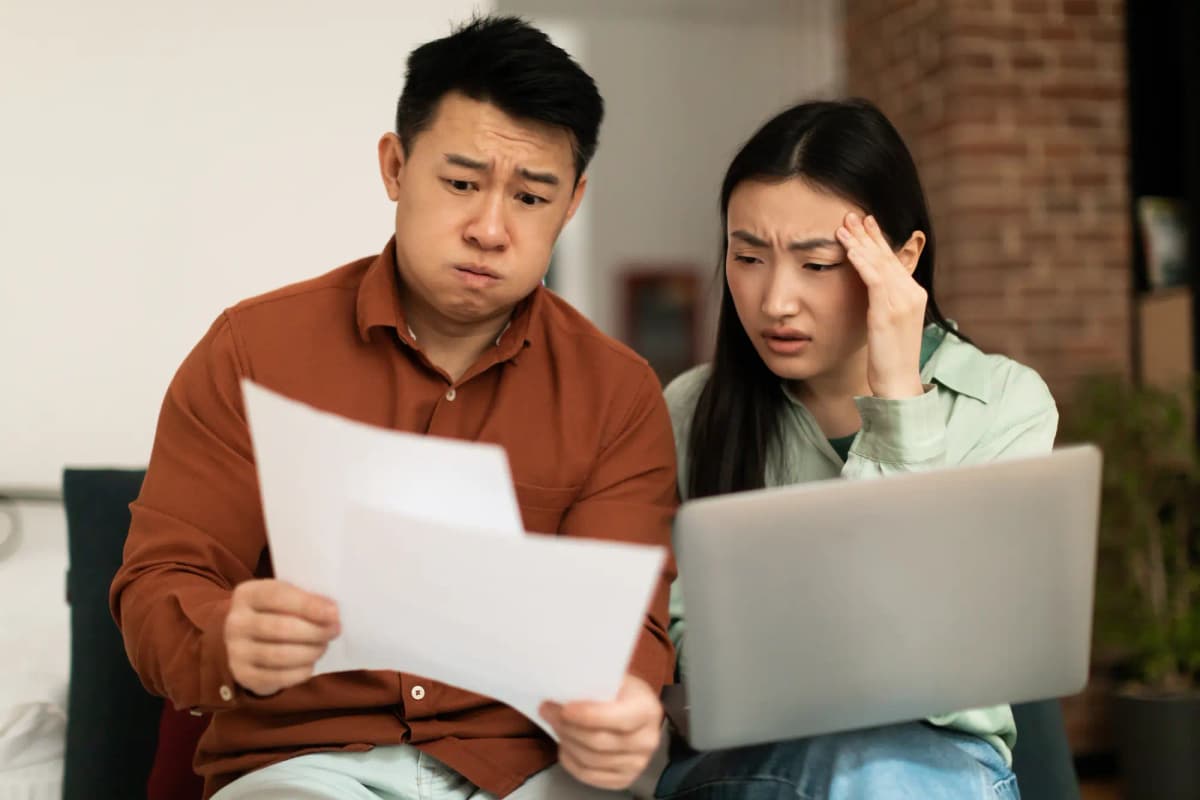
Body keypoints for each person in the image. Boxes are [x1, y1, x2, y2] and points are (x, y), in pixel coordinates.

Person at [111, 16, 676, 800]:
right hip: (303, 767)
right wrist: (224, 635)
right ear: (395, 165)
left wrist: (624, 707)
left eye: (530, 196)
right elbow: (162, 581)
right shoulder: (252, 350)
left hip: (530, 772)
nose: (489, 228)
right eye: (460, 182)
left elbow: (630, 634)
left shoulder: (618, 394)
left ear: (572, 204)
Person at [655, 99, 1058, 800]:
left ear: (902, 260)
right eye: (747, 257)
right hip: (749, 765)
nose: (775, 299)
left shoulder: (1003, 407)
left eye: (817, 264)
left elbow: (928, 650)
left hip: (935, 768)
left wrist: (899, 399)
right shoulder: (692, 410)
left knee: (875, 772)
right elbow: (689, 643)